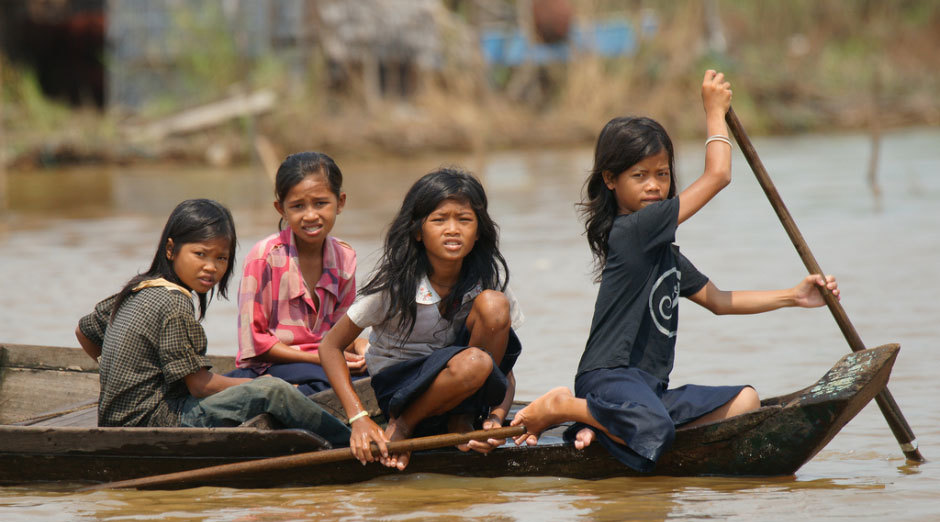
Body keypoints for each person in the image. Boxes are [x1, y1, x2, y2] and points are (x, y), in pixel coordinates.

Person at [510, 70, 840, 472]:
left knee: (746, 402)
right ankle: (568, 407)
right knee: (656, 429)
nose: (654, 186)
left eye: (662, 174)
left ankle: (607, 425)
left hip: (647, 390)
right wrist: (713, 111)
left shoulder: (662, 252)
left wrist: (793, 296)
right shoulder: (633, 231)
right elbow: (718, 175)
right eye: (640, 175)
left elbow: (718, 301)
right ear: (610, 180)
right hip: (609, 379)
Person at [74, 198, 350, 447]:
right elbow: (200, 386)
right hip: (157, 422)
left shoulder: (139, 287)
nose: (211, 267)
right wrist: (263, 383)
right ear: (171, 249)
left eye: (221, 258)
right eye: (200, 254)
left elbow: (85, 331)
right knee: (273, 389)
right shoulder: (173, 302)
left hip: (116, 420)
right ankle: (351, 445)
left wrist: (122, 373)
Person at [319, 168, 524, 470]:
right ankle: (404, 426)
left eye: (464, 220)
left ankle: (462, 417)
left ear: (478, 231)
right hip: (401, 391)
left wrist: (495, 418)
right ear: (418, 231)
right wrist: (359, 417)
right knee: (475, 363)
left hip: (464, 386)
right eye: (439, 220)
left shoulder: (489, 283)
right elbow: (330, 346)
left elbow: (503, 370)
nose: (452, 229)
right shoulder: (394, 287)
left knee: (494, 306)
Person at [229, 151, 366, 395]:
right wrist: (323, 359)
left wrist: (362, 346)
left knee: (381, 372)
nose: (311, 215)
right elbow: (256, 343)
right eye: (298, 206)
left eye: (321, 203)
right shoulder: (265, 257)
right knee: (327, 381)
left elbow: (341, 330)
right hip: (270, 366)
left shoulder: (345, 258)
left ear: (340, 202)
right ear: (281, 209)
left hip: (324, 363)